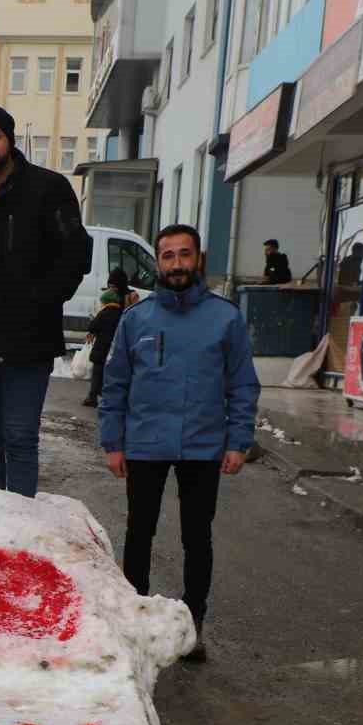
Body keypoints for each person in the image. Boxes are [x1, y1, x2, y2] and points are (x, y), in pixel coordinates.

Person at [100, 223, 260, 662]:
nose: (176, 264)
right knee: (139, 535)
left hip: (203, 446)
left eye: (183, 254)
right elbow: (114, 385)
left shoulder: (225, 318)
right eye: (167, 256)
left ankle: (193, 627)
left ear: (198, 259)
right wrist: (113, 441)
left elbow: (243, 384)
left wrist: (238, 440)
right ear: (158, 262)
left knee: (197, 537)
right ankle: (135, 626)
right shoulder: (137, 320)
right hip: (145, 445)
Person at [0, 104, 93, 497]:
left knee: (18, 438)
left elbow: (76, 255)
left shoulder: (47, 188)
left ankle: (20, 532)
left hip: (27, 342)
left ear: (10, 140)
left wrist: (39, 302)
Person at [81, 289, 123, 408]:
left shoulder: (103, 313)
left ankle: (92, 398)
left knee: (97, 374)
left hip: (101, 349)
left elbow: (93, 326)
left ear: (105, 301)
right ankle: (109, 399)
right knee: (111, 376)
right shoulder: (122, 313)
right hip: (115, 349)